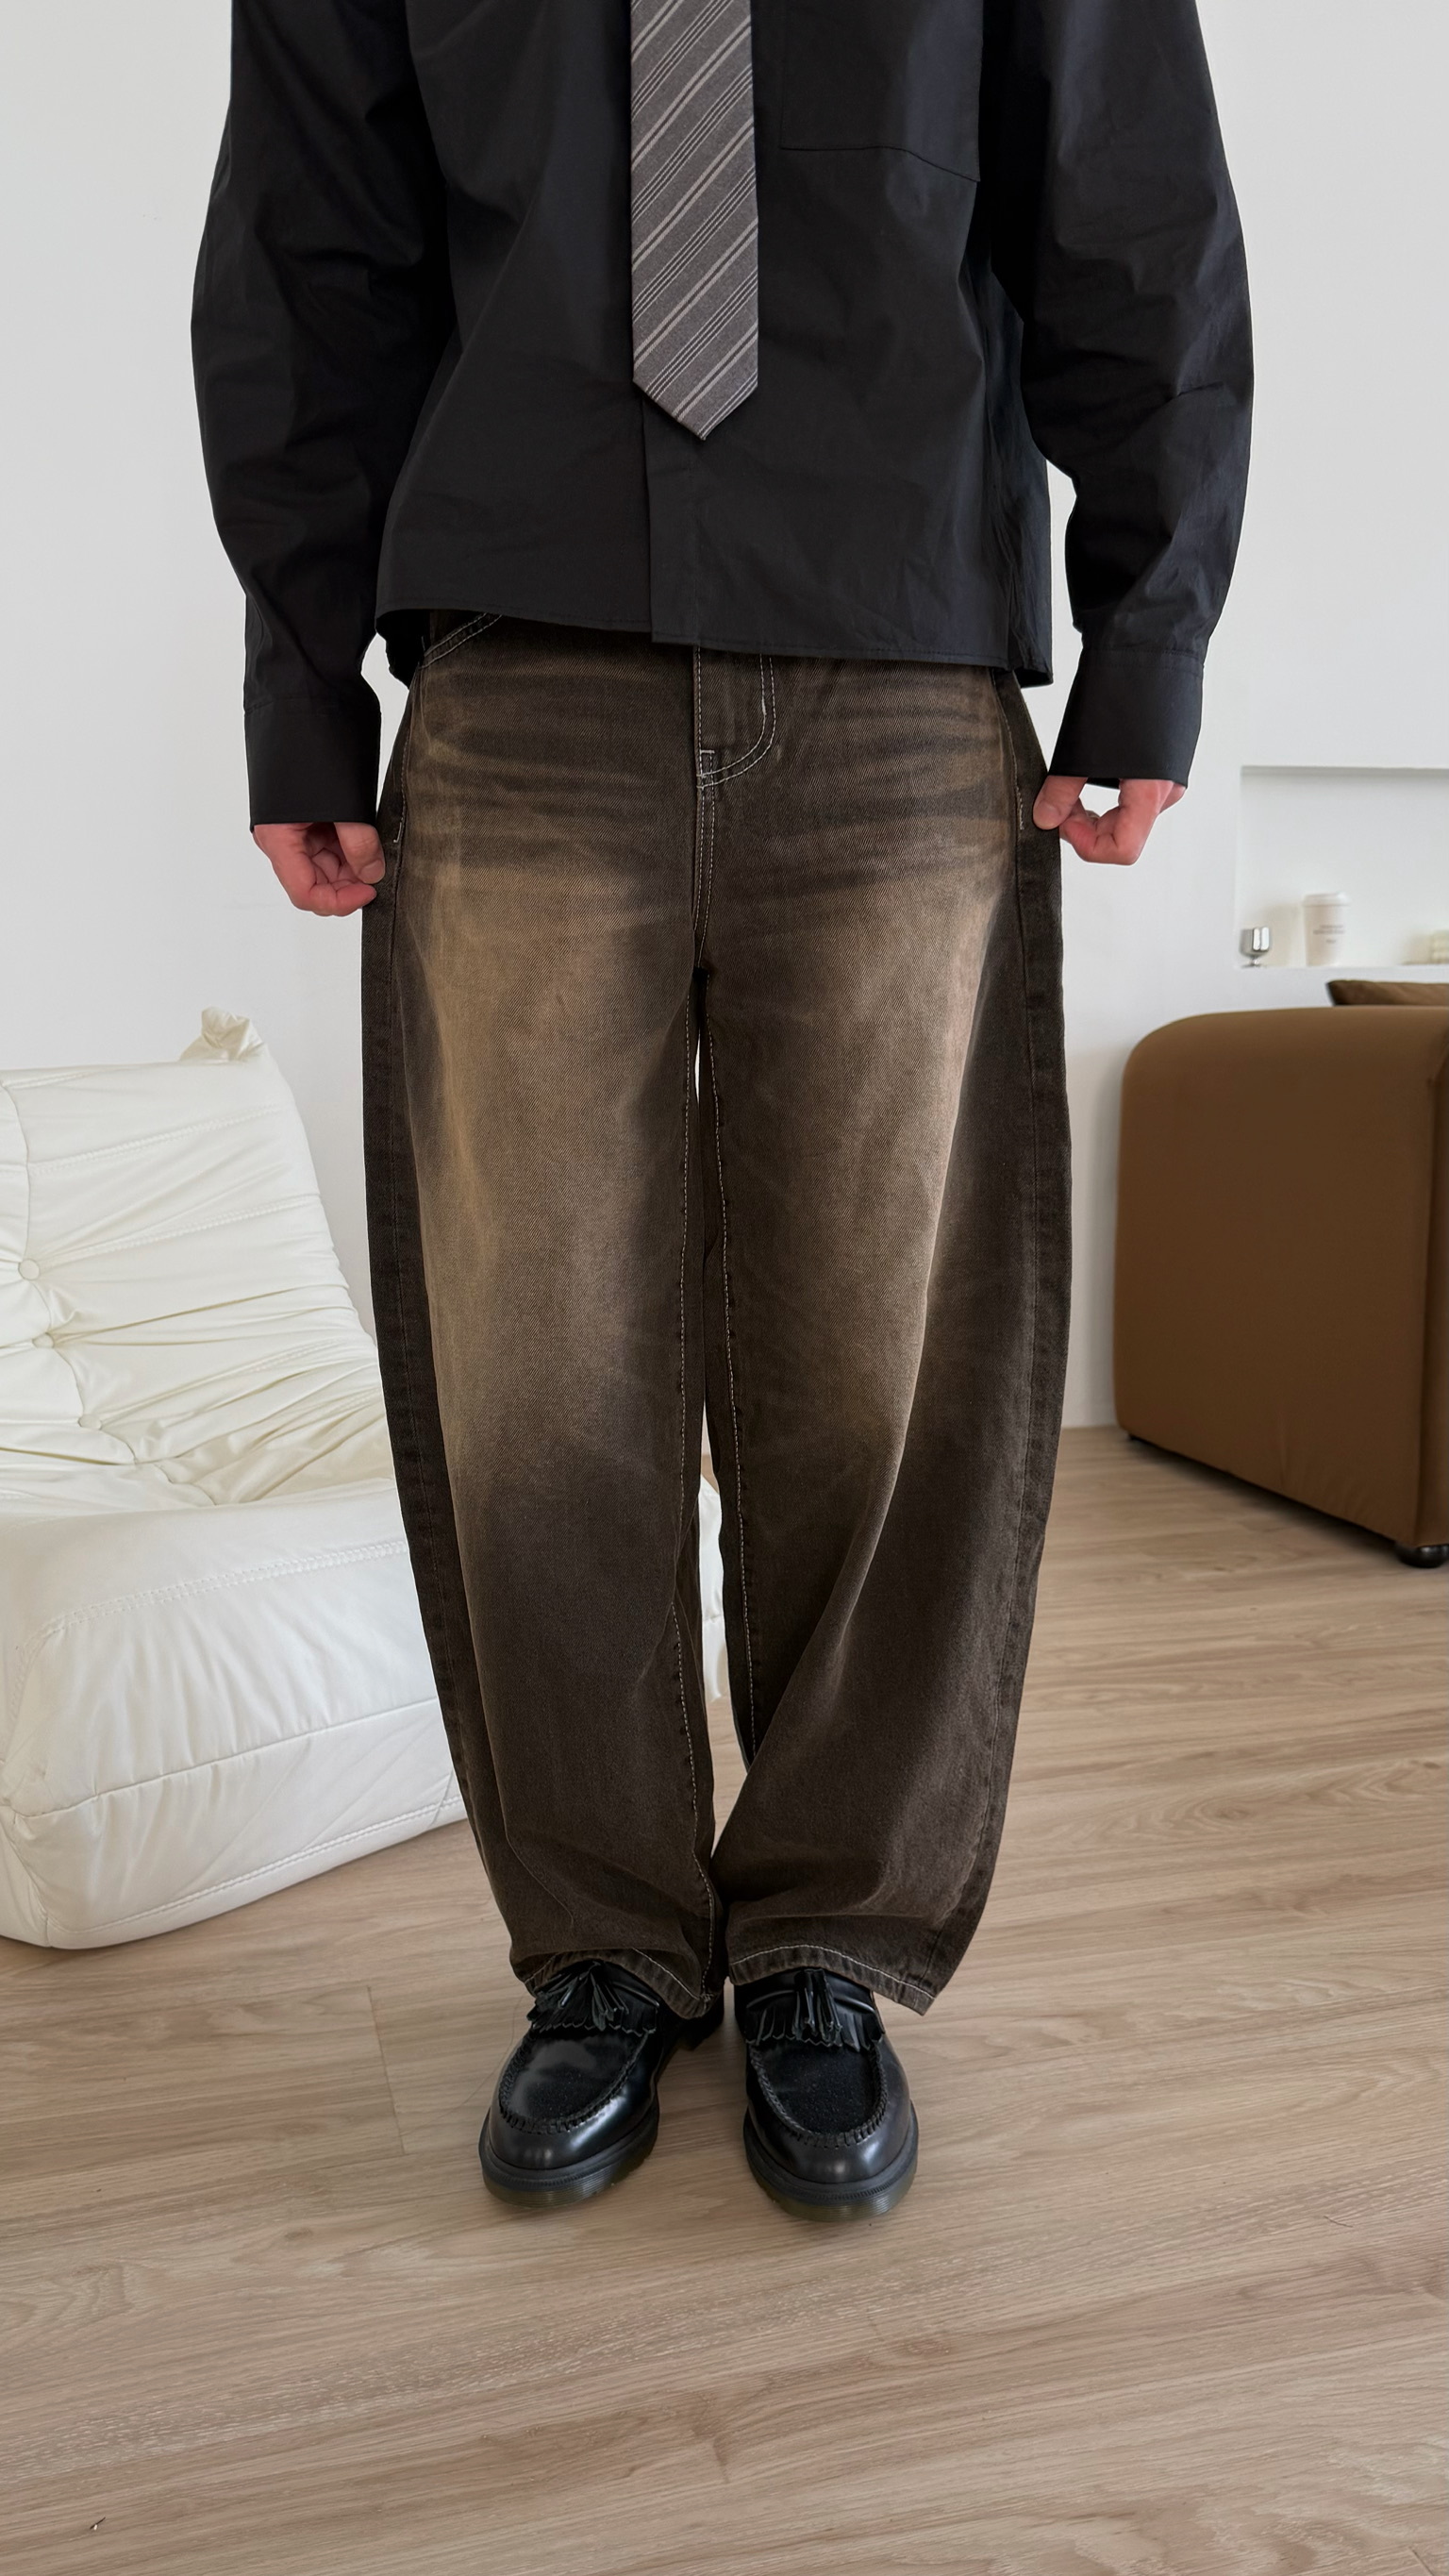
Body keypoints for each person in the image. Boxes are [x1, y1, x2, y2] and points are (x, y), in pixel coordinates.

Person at [193, 0, 1250, 2221]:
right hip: (522, 674)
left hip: (898, 665)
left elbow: (1133, 211)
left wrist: (1149, 636)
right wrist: (297, 680)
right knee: (535, 1367)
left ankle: (826, 1942)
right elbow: (309, 256)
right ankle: (603, 1945)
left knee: (879, 1364)